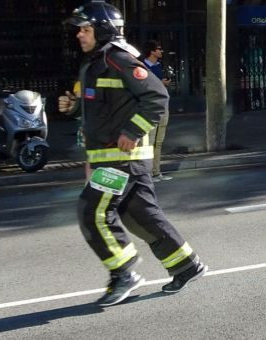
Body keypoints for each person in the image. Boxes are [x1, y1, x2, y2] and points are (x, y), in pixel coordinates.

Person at [62, 1, 206, 307]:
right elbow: (103, 108)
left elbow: (156, 97)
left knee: (92, 212)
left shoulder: (118, 59)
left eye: (84, 29)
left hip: (121, 159)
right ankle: (187, 265)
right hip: (109, 158)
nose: (79, 35)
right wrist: (72, 107)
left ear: (102, 30)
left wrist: (131, 131)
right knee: (140, 215)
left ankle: (123, 272)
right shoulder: (95, 62)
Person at [142, 39, 172, 182]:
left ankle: (156, 171)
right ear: (152, 51)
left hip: (163, 105)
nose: (161, 51)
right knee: (150, 141)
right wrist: (160, 83)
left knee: (159, 142)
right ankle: (148, 173)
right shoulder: (142, 67)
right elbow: (143, 86)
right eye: (159, 48)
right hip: (151, 107)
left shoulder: (159, 66)